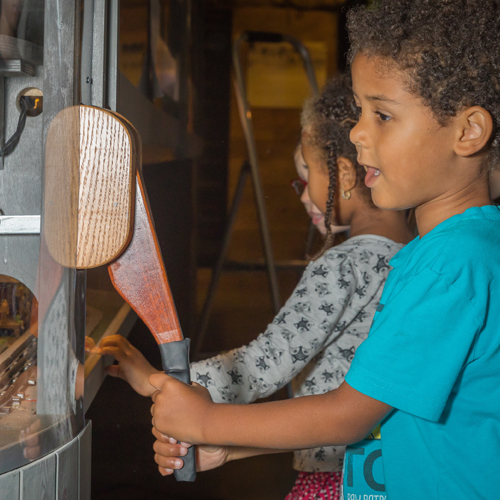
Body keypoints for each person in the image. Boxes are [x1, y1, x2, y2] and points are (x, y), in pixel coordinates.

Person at [149, 1, 500, 498]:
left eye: (382, 114)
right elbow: (384, 415)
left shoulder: (450, 265)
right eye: (360, 112)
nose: (357, 133)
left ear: (468, 132)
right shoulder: (444, 251)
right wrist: (229, 447)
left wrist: (208, 420)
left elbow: (346, 416)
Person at [95, 72, 412, 499]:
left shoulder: (343, 266)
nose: (303, 197)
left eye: (306, 178)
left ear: (344, 173)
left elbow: (263, 364)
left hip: (338, 482)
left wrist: (158, 379)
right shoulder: (419, 258)